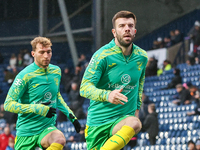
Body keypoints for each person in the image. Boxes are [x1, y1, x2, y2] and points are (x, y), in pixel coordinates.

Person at [80, 10, 148, 150]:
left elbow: (139, 85)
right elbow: (84, 87)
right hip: (99, 123)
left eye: (130, 25)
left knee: (135, 123)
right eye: (122, 26)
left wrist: (137, 107)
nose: (127, 29)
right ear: (114, 32)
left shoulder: (142, 57)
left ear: (134, 31)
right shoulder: (102, 55)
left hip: (122, 121)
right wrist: (108, 95)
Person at [4, 37, 81, 150]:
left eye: (48, 52)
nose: (46, 56)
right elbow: (8, 104)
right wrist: (37, 109)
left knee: (59, 139)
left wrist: (71, 116)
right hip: (26, 132)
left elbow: (56, 96)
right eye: (41, 52)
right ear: (33, 54)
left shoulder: (56, 71)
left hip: (46, 128)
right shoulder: (24, 75)